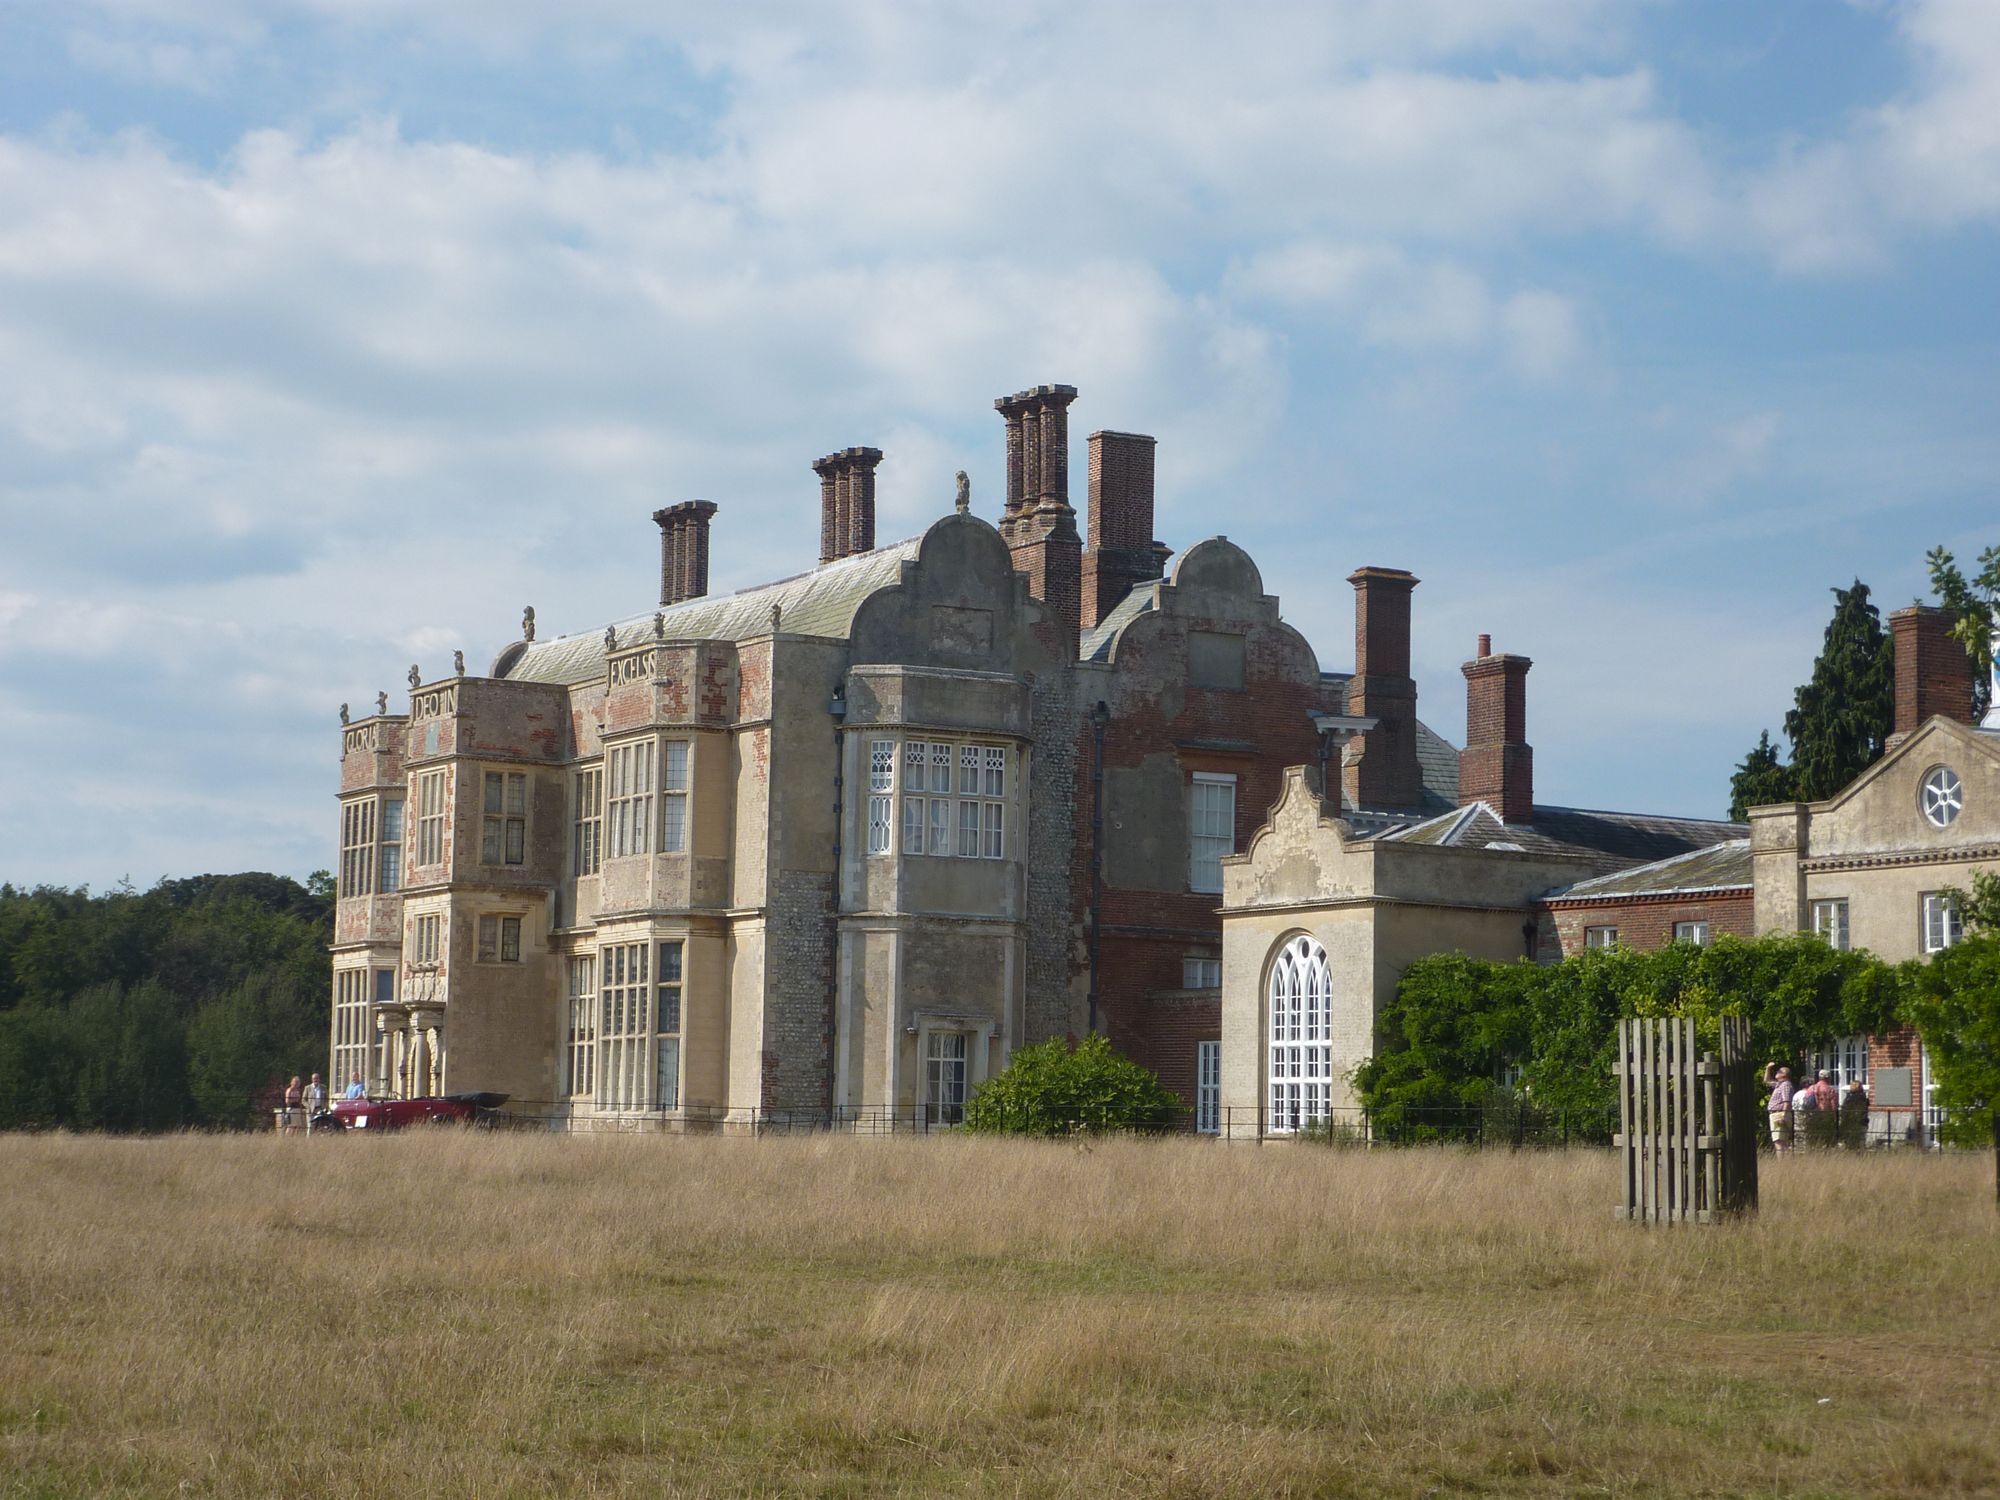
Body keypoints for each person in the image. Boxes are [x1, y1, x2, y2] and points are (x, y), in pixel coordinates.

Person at [1764, 1063, 1794, 1153]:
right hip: (1777, 1114)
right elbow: (1767, 1081)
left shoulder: (1785, 1085)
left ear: (1785, 1075)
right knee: (1779, 1140)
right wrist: (1768, 1068)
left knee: (1779, 1141)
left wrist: (1783, 1116)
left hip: (1779, 1114)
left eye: (1780, 1071)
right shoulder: (1779, 1084)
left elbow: (1787, 1101)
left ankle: (1782, 1163)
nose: (1777, 1072)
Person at [1841, 1077, 1871, 1149]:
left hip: (1849, 1123)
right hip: (1861, 1122)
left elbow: (1844, 1110)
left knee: (1850, 1143)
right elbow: (1865, 1109)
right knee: (1861, 1142)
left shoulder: (1848, 1098)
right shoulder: (1863, 1098)